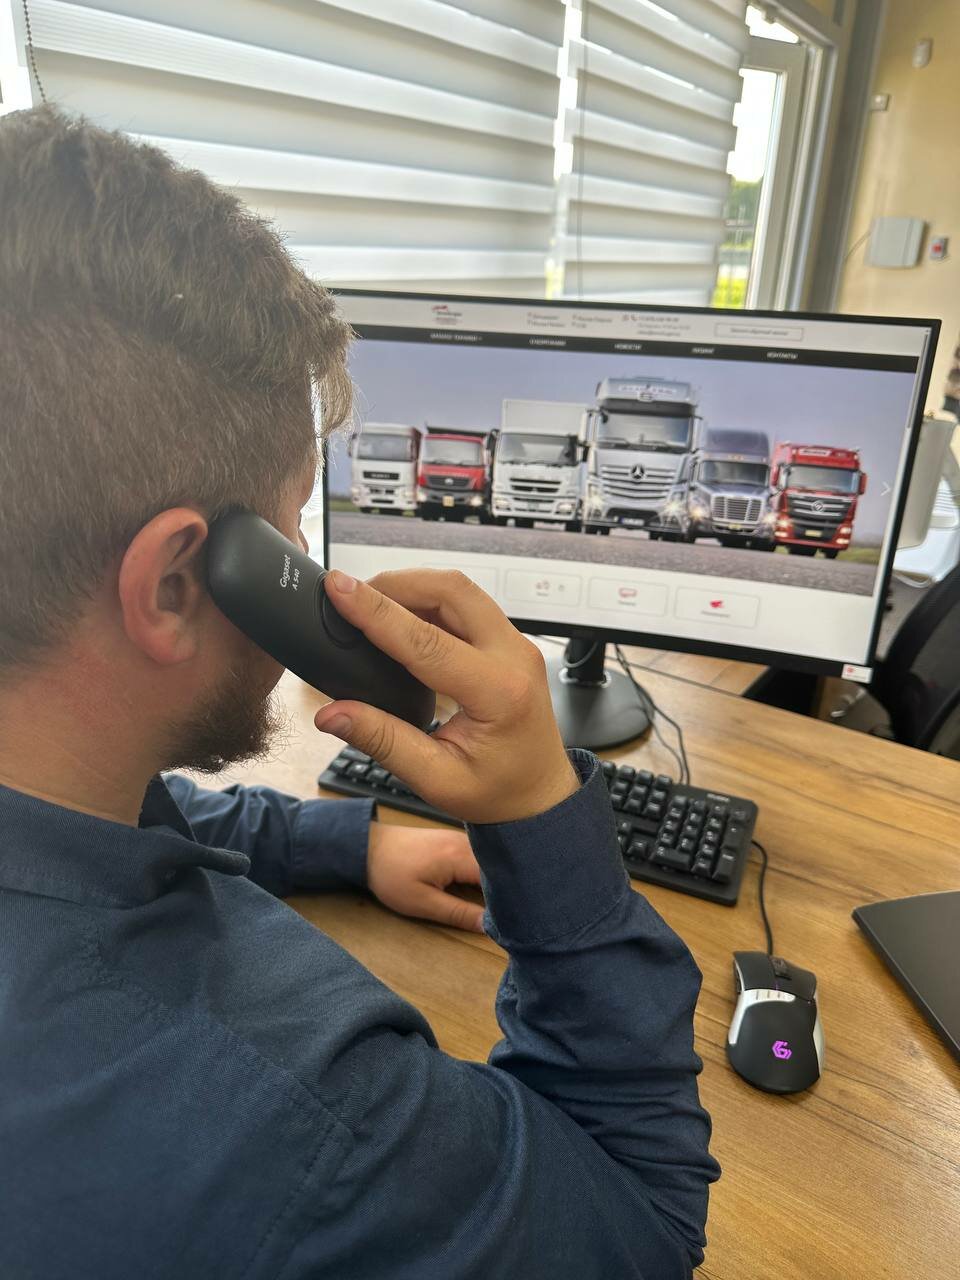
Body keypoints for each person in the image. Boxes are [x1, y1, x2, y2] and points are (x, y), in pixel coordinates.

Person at [0, 107, 720, 1279]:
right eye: (291, 527)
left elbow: (95, 824)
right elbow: (638, 1216)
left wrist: (344, 841)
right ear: (179, 583)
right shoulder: (304, 1118)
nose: (309, 564)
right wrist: (536, 805)